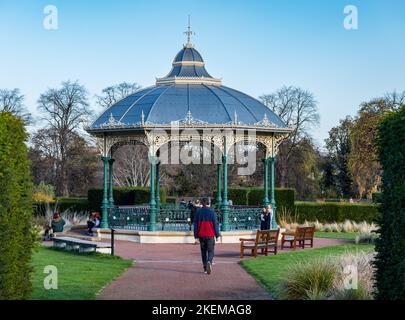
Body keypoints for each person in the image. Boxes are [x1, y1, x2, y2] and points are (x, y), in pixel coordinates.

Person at [193, 197, 220, 275]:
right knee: (211, 250)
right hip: (210, 235)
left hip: (201, 235)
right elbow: (215, 224)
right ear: (208, 203)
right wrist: (217, 235)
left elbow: (196, 226)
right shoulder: (212, 212)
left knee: (203, 251)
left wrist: (196, 236)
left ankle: (205, 268)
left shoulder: (198, 212)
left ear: (202, 203)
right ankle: (209, 261)